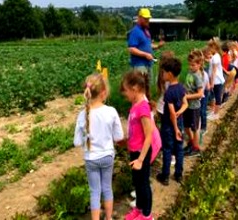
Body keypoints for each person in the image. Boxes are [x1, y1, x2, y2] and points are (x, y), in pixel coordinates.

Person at [73, 73, 124, 220]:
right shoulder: (111, 111)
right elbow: (119, 137)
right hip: (107, 156)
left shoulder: (82, 114)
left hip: (91, 158)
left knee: (94, 191)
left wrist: (86, 138)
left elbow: (77, 142)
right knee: (107, 188)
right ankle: (109, 218)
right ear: (104, 93)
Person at [121, 71, 154, 220]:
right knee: (137, 183)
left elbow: (149, 135)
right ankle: (139, 209)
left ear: (134, 88)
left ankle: (147, 215)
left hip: (142, 153)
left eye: (126, 92)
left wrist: (141, 159)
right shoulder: (135, 105)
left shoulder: (143, 107)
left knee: (143, 184)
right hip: (135, 151)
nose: (125, 96)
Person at [156, 57, 188, 186]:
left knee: (168, 149)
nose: (162, 74)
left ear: (169, 74)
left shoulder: (169, 92)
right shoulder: (181, 87)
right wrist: (181, 111)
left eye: (163, 72)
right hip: (179, 122)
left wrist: (175, 129)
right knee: (179, 149)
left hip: (170, 126)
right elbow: (185, 104)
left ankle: (165, 176)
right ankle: (179, 174)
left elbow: (171, 114)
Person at [127, 8, 164, 84]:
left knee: (148, 86)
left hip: (148, 63)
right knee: (140, 87)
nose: (147, 20)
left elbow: (147, 45)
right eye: (145, 18)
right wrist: (145, 54)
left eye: (148, 18)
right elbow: (131, 49)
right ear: (139, 18)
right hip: (139, 65)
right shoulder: (135, 31)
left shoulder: (146, 31)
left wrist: (157, 46)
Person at [183, 49, 204, 157]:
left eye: (193, 65)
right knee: (186, 126)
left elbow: (200, 94)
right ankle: (192, 143)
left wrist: (187, 96)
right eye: (189, 65)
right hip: (187, 105)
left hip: (194, 106)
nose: (191, 67)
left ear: (199, 64)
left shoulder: (198, 76)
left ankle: (196, 148)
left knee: (194, 128)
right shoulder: (190, 73)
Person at [207, 40, 225, 121]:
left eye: (210, 47)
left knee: (217, 97)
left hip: (217, 81)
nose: (209, 48)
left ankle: (216, 114)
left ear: (215, 47)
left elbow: (214, 71)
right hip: (216, 80)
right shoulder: (215, 56)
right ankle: (214, 112)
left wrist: (212, 83)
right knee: (215, 96)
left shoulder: (215, 57)